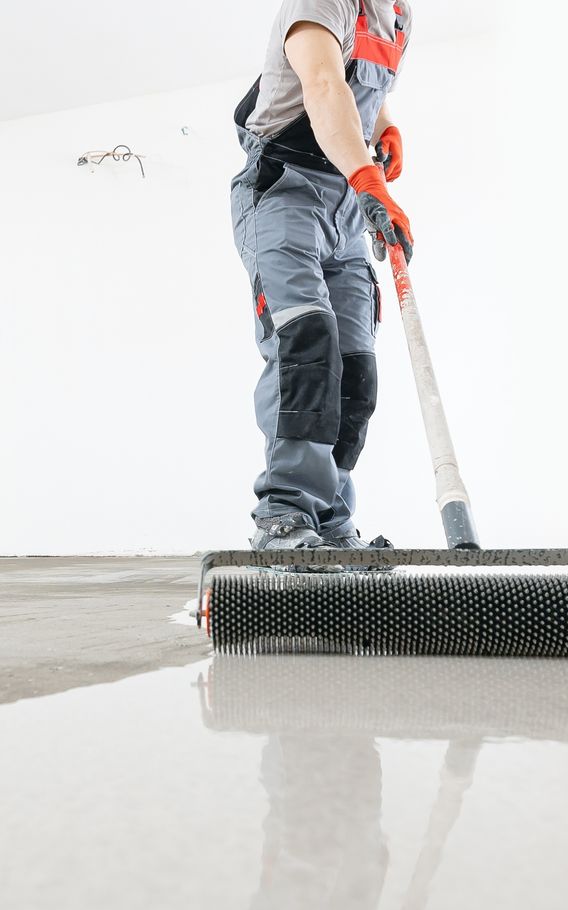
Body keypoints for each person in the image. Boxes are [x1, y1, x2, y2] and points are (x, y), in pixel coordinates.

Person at [231, 0, 416, 552]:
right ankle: (285, 517)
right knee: (306, 344)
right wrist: (368, 176)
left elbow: (366, 96)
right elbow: (323, 83)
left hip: (347, 212)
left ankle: (330, 521)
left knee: (356, 373)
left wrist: (383, 128)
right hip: (285, 190)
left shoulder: (399, 15)